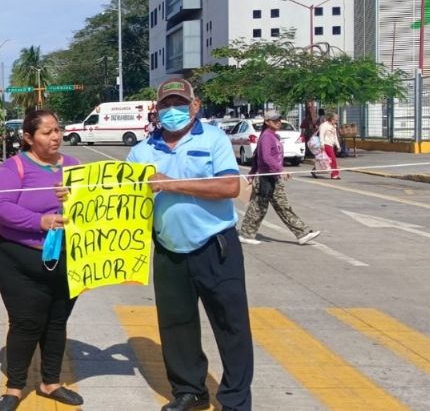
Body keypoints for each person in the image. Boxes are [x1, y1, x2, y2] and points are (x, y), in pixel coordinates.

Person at [127, 78, 252, 411]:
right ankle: (190, 390)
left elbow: (229, 187)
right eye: (166, 105)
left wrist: (172, 184)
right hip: (169, 250)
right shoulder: (141, 151)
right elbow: (119, 195)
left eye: (179, 104)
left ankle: (236, 401)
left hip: (215, 246)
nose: (172, 111)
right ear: (156, 111)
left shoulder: (213, 138)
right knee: (176, 325)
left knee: (231, 325)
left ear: (195, 106)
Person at [0, 110, 83, 411]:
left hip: (65, 258)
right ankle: (15, 387)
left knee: (56, 322)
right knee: (26, 324)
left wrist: (75, 197)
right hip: (20, 261)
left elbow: (91, 205)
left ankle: (50, 382)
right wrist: (38, 222)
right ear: (28, 137)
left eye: (57, 130)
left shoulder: (73, 165)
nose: (55, 136)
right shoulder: (14, 167)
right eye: (47, 132)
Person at [239, 112, 321, 246]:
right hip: (266, 177)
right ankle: (246, 234)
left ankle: (302, 233)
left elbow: (258, 156)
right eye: (274, 120)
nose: (278, 122)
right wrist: (278, 170)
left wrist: (257, 172)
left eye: (279, 120)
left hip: (273, 177)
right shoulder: (267, 137)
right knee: (259, 207)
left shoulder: (273, 136)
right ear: (267, 122)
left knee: (279, 206)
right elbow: (265, 157)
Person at [318, 113, 341, 179]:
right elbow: (321, 135)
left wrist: (338, 146)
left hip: (331, 145)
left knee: (327, 160)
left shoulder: (334, 126)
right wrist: (322, 144)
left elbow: (335, 137)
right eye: (335, 120)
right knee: (333, 159)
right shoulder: (324, 125)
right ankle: (334, 175)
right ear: (332, 119)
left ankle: (315, 170)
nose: (336, 121)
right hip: (326, 144)